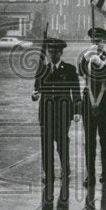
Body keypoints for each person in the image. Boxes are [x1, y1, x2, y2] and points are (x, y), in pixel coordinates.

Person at [33, 36, 81, 191]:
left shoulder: (69, 69)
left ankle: (65, 168)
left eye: (56, 52)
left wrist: (77, 111)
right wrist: (34, 95)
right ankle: (48, 172)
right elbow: (37, 90)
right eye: (50, 51)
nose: (52, 55)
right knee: (46, 144)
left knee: (61, 143)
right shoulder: (43, 69)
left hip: (62, 112)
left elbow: (76, 91)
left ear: (61, 53)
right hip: (46, 113)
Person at [76, 26, 106, 187]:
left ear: (105, 42)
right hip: (89, 99)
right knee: (89, 140)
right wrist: (88, 58)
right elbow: (80, 73)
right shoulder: (85, 57)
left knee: (105, 139)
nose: (97, 43)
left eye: (99, 41)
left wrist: (100, 63)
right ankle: (90, 174)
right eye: (94, 41)